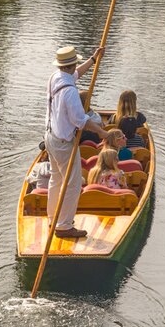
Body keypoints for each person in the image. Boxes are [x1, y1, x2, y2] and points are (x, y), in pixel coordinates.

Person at [44, 45, 107, 238]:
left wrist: (93, 60)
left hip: (50, 137)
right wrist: (103, 134)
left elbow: (76, 74)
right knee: (72, 184)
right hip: (64, 143)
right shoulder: (70, 92)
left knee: (56, 179)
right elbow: (81, 121)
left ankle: (53, 218)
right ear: (72, 64)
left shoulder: (56, 77)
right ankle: (63, 226)